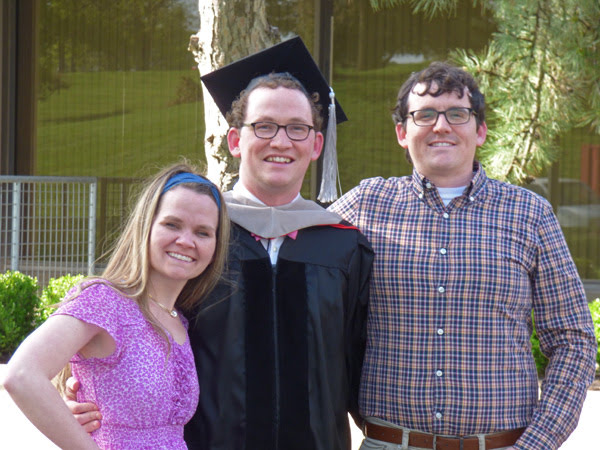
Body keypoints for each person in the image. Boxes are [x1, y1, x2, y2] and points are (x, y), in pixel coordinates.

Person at [65, 37, 374, 450]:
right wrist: (85, 387)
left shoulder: (342, 246)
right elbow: (133, 320)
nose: (281, 141)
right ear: (234, 141)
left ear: (317, 144)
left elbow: (358, 361)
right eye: (263, 126)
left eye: (298, 128)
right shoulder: (197, 239)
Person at [329, 61, 597, 450]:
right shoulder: (365, 206)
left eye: (458, 113)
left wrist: (535, 445)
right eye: (425, 115)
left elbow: (573, 341)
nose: (441, 126)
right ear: (402, 133)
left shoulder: (530, 214)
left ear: (481, 130)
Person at [3, 162, 230, 449]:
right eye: (172, 224)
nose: (186, 241)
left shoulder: (181, 319)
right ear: (145, 227)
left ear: (215, 247)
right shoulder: (105, 301)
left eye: (203, 232)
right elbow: (21, 375)